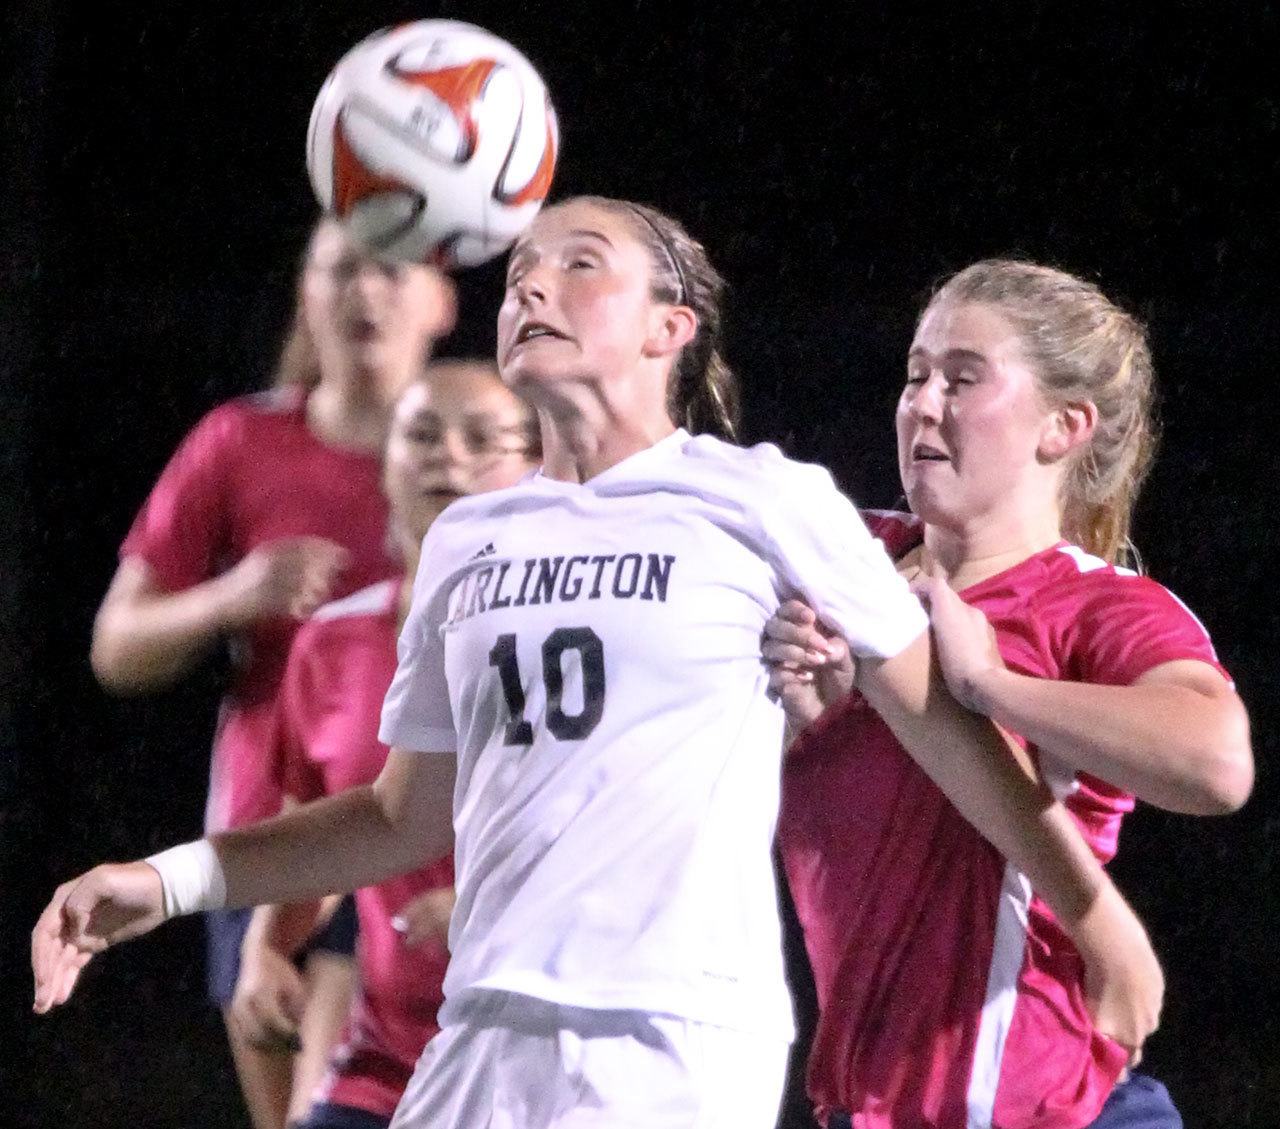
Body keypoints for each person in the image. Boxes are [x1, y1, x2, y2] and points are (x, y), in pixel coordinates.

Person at [35, 200, 1163, 1129]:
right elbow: (397, 818)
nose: (529, 286)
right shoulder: (471, 541)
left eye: (580, 265)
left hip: (664, 1048)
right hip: (478, 1036)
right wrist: (167, 879)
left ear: (669, 328)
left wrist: (1096, 915)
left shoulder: (762, 500)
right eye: (521, 268)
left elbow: (947, 737)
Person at [763, 259, 1254, 1129]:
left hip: (1050, 1106)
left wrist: (994, 684)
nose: (922, 402)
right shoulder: (840, 557)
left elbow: (1217, 762)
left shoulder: (1094, 603)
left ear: (1064, 426)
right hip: (861, 1105)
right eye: (915, 375)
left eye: (963, 378)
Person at [87, 215, 456, 1129]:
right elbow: (115, 646)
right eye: (338, 270)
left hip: (420, 845)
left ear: (442, 300)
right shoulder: (241, 443)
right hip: (273, 835)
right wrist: (232, 596)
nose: (364, 291)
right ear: (305, 292)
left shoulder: (481, 454)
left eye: (390, 271)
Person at [232, 362, 540, 1129]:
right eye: (424, 434)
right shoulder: (332, 644)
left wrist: (498, 900)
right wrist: (266, 947)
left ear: (537, 467)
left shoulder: (569, 639)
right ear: (385, 462)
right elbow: (328, 828)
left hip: (540, 1058)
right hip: (387, 1062)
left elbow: (639, 828)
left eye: (482, 438)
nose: (448, 457)